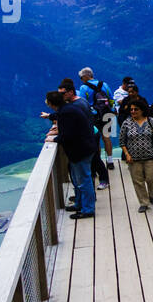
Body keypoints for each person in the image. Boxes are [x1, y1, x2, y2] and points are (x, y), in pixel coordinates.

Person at [47, 89, 96, 219]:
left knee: (84, 180)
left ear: (51, 103)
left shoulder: (65, 113)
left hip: (80, 150)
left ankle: (88, 209)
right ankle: (80, 204)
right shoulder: (67, 109)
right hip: (84, 148)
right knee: (79, 179)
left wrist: (54, 138)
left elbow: (67, 135)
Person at [60, 78, 109, 190]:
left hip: (89, 134)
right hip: (91, 132)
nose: (60, 96)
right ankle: (97, 182)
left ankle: (103, 180)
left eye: (62, 93)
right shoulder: (78, 101)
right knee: (93, 158)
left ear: (70, 92)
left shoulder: (78, 104)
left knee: (94, 158)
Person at [119, 99, 153, 212]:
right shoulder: (126, 123)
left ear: (142, 110)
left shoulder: (151, 121)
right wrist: (127, 154)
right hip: (134, 158)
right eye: (131, 109)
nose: (133, 111)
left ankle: (152, 193)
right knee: (138, 181)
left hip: (150, 155)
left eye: (135, 109)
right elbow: (122, 141)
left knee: (151, 178)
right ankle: (143, 202)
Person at [78, 67, 116, 169]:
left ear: (86, 76)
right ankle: (110, 160)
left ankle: (98, 162)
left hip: (93, 116)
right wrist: (112, 111)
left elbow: (82, 103)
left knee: (95, 139)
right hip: (106, 114)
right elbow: (111, 99)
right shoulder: (104, 84)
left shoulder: (83, 88)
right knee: (106, 137)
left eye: (81, 78)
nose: (81, 80)